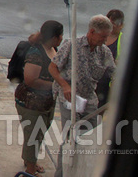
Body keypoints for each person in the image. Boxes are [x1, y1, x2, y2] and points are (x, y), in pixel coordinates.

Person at [49, 15, 116, 177]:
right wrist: (65, 85)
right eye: (103, 36)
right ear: (92, 32)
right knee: (69, 141)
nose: (105, 40)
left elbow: (115, 73)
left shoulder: (104, 52)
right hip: (69, 99)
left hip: (89, 100)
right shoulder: (72, 46)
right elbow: (53, 68)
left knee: (89, 141)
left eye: (107, 37)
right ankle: (61, 174)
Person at [15, 20, 64, 176]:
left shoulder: (52, 48)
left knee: (38, 134)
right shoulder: (36, 52)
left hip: (46, 103)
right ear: (54, 37)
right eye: (60, 35)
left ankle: (30, 161)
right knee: (33, 136)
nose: (62, 38)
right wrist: (55, 85)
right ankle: (30, 169)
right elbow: (30, 79)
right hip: (31, 103)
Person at [96, 9, 124, 108]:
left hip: (109, 82)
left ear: (121, 25)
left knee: (102, 109)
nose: (112, 26)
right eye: (109, 23)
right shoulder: (97, 36)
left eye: (115, 24)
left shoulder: (123, 40)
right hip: (94, 79)